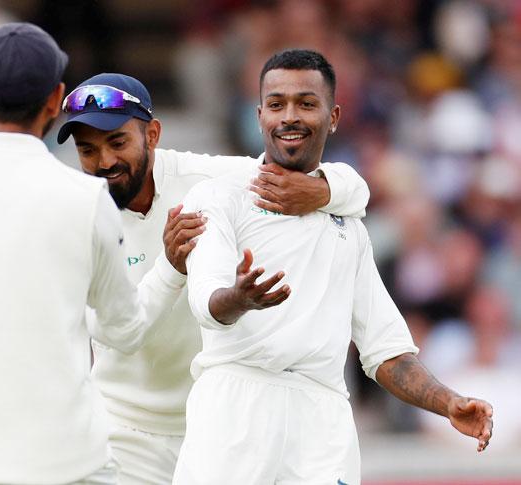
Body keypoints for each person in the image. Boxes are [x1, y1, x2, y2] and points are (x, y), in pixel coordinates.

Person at [174, 49, 494, 485]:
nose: (289, 116)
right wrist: (240, 297)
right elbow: (206, 303)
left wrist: (446, 401)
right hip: (235, 409)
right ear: (259, 115)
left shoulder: (348, 223)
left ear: (334, 115)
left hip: (322, 418)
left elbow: (384, 349)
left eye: (306, 103)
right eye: (276, 104)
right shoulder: (220, 198)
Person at [0, 23, 186, 485]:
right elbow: (124, 332)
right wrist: (170, 268)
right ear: (56, 99)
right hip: (61, 468)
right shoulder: (85, 199)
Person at [56, 73, 370, 484]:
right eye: (87, 150)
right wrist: (170, 267)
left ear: (152, 134)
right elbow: (118, 333)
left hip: (214, 430)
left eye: (118, 143)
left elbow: (339, 183)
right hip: (123, 430)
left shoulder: (205, 179)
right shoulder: (73, 216)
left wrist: (325, 191)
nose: (104, 163)